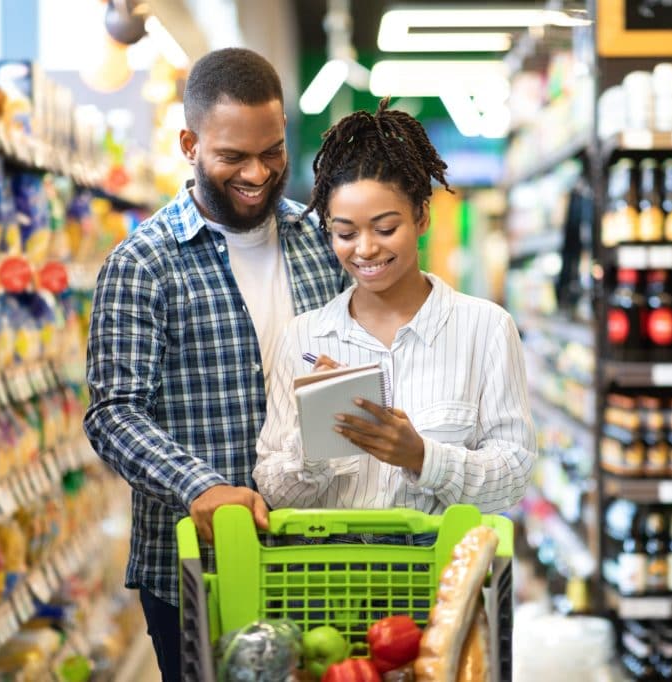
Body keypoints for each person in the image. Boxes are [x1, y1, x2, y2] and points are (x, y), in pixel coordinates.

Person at [83, 48, 343, 682]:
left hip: (320, 551)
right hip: (198, 566)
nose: (258, 172)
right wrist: (198, 485)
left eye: (273, 151)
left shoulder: (321, 240)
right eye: (233, 156)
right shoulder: (142, 263)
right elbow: (114, 414)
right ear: (189, 144)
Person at [253, 99, 535, 515]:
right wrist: (316, 437)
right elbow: (276, 493)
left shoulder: (486, 328)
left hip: (437, 574)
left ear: (422, 217)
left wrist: (421, 457)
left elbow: (511, 478)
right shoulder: (305, 337)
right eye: (345, 233)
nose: (365, 249)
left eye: (386, 228)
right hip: (331, 577)